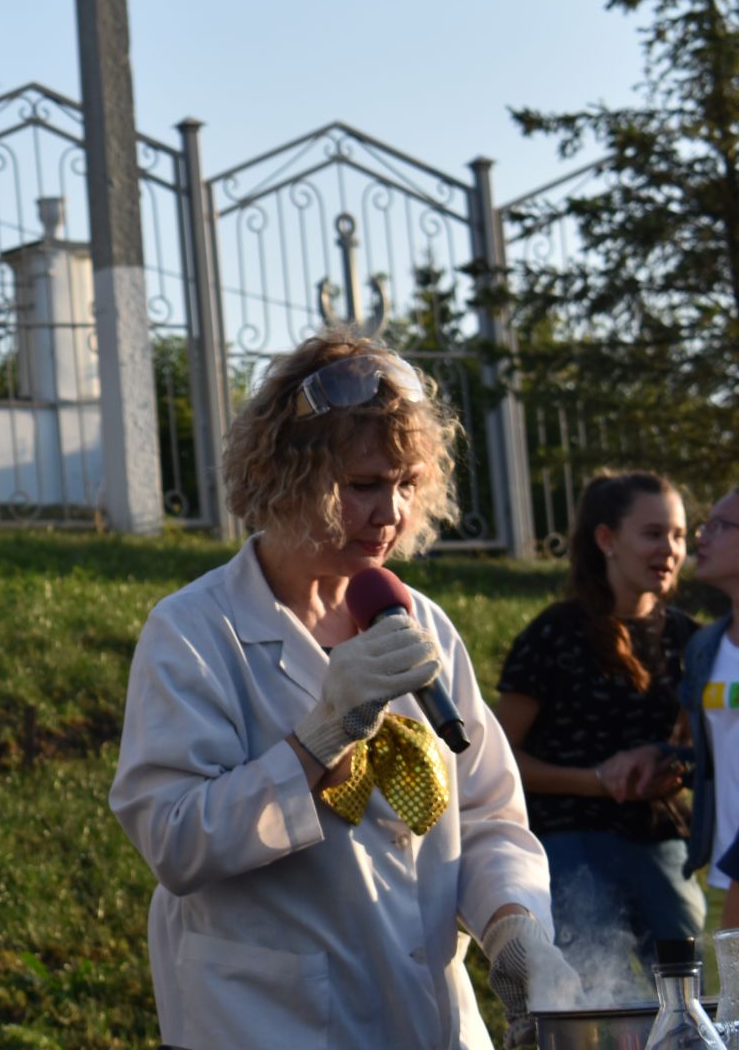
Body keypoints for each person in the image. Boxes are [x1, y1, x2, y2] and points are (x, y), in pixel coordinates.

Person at [109, 330, 578, 1050]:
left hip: (432, 1023)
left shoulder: (420, 621)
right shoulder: (196, 631)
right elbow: (174, 841)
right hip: (267, 1022)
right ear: (285, 475)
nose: (390, 513)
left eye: (407, 483)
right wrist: (318, 738)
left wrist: (513, 926)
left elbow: (484, 814)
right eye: (363, 485)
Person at [495, 473, 699, 967]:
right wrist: (596, 781)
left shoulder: (692, 639)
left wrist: (674, 767)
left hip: (662, 844)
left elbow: (709, 749)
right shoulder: (554, 633)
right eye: (653, 534)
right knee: (591, 1002)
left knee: (690, 999)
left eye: (679, 536)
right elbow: (495, 759)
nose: (670, 549)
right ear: (606, 539)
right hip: (570, 845)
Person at [680, 488, 739, 925]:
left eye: (720, 527)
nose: (701, 538)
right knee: (727, 995)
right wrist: (666, 761)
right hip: (721, 873)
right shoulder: (705, 645)